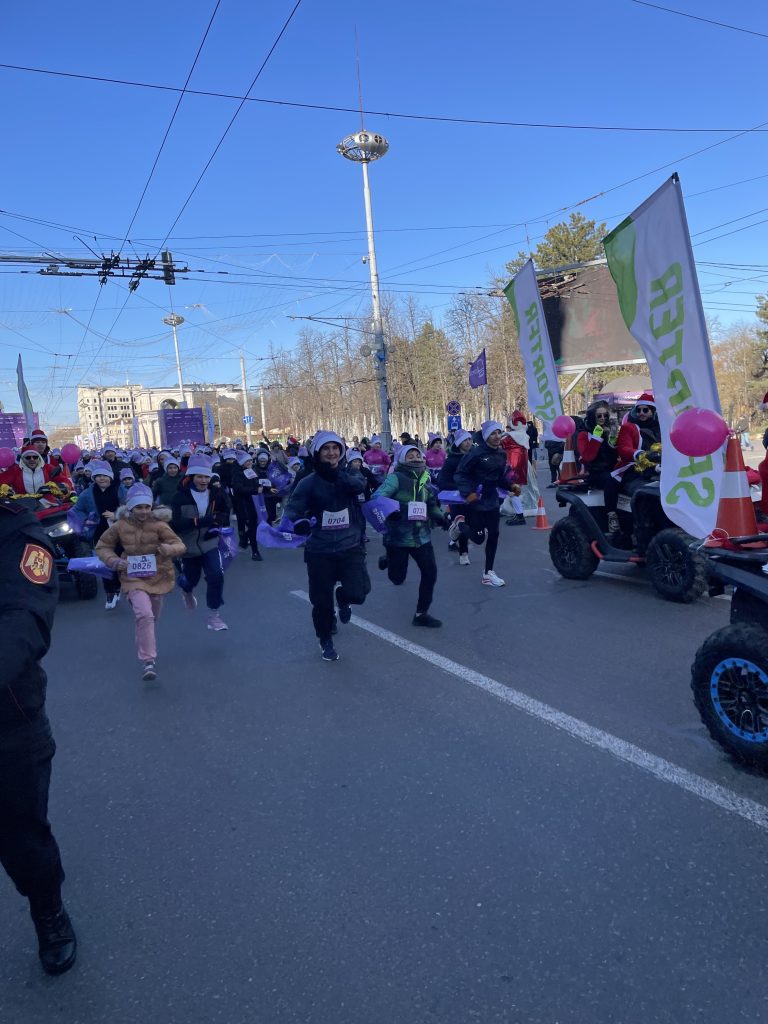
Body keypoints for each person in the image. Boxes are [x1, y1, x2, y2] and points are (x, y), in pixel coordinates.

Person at [0, 495, 77, 974]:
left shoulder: (15, 531)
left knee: (21, 837)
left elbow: (24, 617)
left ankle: (48, 910)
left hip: (8, 721)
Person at [283, 432, 370, 662]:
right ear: (317, 453)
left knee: (359, 593)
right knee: (321, 602)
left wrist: (336, 474)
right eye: (326, 449)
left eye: (335, 448)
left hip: (350, 544)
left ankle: (343, 597)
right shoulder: (308, 482)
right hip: (320, 549)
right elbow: (293, 509)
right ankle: (325, 639)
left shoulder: (350, 473)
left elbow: (359, 486)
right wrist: (300, 522)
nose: (331, 453)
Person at [95, 483, 186, 680]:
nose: (143, 511)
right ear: (130, 507)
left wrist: (169, 549)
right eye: (138, 507)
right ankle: (148, 661)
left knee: (151, 617)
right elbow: (102, 546)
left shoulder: (159, 524)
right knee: (144, 615)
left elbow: (179, 544)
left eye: (146, 507)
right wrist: (114, 561)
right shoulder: (120, 525)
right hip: (132, 576)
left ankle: (145, 637)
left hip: (158, 576)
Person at [373, 444, 446, 627]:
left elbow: (431, 503)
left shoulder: (425, 478)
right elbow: (377, 497)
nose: (415, 458)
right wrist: (390, 511)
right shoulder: (396, 478)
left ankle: (421, 614)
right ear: (401, 459)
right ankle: (389, 559)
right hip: (398, 537)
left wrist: (442, 519)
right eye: (410, 456)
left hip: (421, 536)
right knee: (397, 578)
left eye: (417, 455)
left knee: (430, 573)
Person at [171, 455, 231, 631]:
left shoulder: (216, 493)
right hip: (188, 547)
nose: (204, 480)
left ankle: (214, 615)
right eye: (199, 477)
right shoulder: (180, 497)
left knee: (216, 575)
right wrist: (197, 522)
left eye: (206, 476)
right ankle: (186, 590)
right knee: (191, 579)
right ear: (191, 476)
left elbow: (225, 510)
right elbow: (174, 524)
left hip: (210, 542)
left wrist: (218, 520)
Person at [453, 420, 509, 587]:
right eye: (492, 434)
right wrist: (467, 493)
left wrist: (511, 486)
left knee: (494, 534)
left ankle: (488, 573)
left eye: (499, 432)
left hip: (492, 499)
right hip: (475, 499)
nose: (497, 436)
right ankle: (459, 526)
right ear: (486, 437)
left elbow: (500, 478)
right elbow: (460, 474)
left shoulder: (501, 454)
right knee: (478, 538)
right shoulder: (475, 453)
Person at [72, 458, 122, 609]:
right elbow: (77, 510)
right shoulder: (87, 493)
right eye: (98, 476)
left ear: (110, 477)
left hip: (120, 531)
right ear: (94, 478)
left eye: (105, 475)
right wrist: (86, 520)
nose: (102, 478)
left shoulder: (120, 490)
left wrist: (117, 514)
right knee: (106, 562)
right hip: (99, 532)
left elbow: (134, 507)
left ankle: (118, 586)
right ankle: (110, 592)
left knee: (119, 561)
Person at [577, 402, 620, 533]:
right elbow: (587, 457)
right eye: (599, 416)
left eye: (605, 415)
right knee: (610, 480)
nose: (602, 418)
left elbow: (617, 454)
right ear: (592, 417)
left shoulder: (610, 431)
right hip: (595, 472)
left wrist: (613, 440)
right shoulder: (584, 435)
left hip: (613, 469)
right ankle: (612, 516)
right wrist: (596, 437)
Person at [613, 393, 662, 501]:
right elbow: (624, 449)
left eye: (645, 410)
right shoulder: (629, 427)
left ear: (653, 411)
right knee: (646, 494)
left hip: (659, 471)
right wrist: (640, 454)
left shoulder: (661, 428)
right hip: (635, 472)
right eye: (638, 410)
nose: (641, 413)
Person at [439, 429, 474, 565]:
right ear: (458, 443)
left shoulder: (475, 456)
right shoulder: (451, 461)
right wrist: (460, 487)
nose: (468, 442)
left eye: (470, 439)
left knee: (472, 526)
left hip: (473, 497)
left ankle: (454, 535)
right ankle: (463, 554)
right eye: (465, 440)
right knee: (463, 525)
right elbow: (443, 482)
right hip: (457, 499)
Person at [1, 446, 72, 496]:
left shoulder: (48, 468)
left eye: (35, 457)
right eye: (28, 457)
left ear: (39, 457)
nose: (32, 459)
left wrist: (61, 486)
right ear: (22, 459)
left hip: (46, 505)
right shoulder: (15, 470)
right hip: (23, 506)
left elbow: (65, 481)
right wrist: (6, 490)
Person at [231, 452, 263, 561]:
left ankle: (244, 539)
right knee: (252, 527)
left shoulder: (251, 471)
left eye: (250, 460)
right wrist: (255, 490)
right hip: (242, 504)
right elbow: (238, 489)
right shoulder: (237, 474)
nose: (250, 462)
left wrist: (264, 487)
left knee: (254, 525)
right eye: (247, 461)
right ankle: (255, 551)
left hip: (252, 503)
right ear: (242, 462)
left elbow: (256, 484)